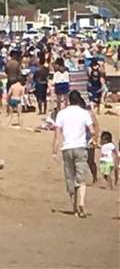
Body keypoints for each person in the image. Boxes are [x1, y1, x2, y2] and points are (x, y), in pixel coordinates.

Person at [52, 89, 96, 218]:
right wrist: (92, 139)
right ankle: (81, 203)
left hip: (67, 148)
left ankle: (74, 207)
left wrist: (54, 150)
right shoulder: (84, 113)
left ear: (69, 100)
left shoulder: (62, 113)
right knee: (81, 177)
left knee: (70, 177)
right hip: (81, 147)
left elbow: (57, 134)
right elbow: (92, 131)